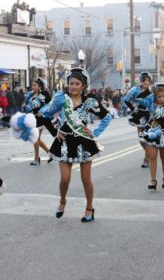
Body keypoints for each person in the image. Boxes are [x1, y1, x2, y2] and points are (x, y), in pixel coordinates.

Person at [41, 67, 112, 222]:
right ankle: (62, 200)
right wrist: (55, 131)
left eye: (77, 83)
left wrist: (95, 133)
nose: (73, 86)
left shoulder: (89, 101)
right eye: (71, 83)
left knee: (86, 179)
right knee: (65, 179)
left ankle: (89, 208)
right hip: (65, 142)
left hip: (84, 143)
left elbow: (107, 117)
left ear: (83, 85)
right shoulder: (61, 99)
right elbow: (44, 114)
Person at [124, 72, 152, 168]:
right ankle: (150, 153)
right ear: (141, 81)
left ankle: (146, 159)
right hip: (139, 115)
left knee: (147, 138)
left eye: (148, 80)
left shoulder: (152, 91)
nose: (146, 82)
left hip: (150, 115)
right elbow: (126, 99)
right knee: (141, 139)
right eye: (144, 80)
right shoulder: (135, 90)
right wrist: (133, 108)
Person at [25, 78, 53, 165]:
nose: (32, 87)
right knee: (37, 139)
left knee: (35, 139)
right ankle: (50, 154)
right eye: (32, 85)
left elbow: (50, 105)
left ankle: (37, 158)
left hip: (40, 120)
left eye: (34, 85)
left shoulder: (44, 94)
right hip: (33, 119)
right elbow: (29, 106)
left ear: (40, 87)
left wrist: (41, 112)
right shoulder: (33, 95)